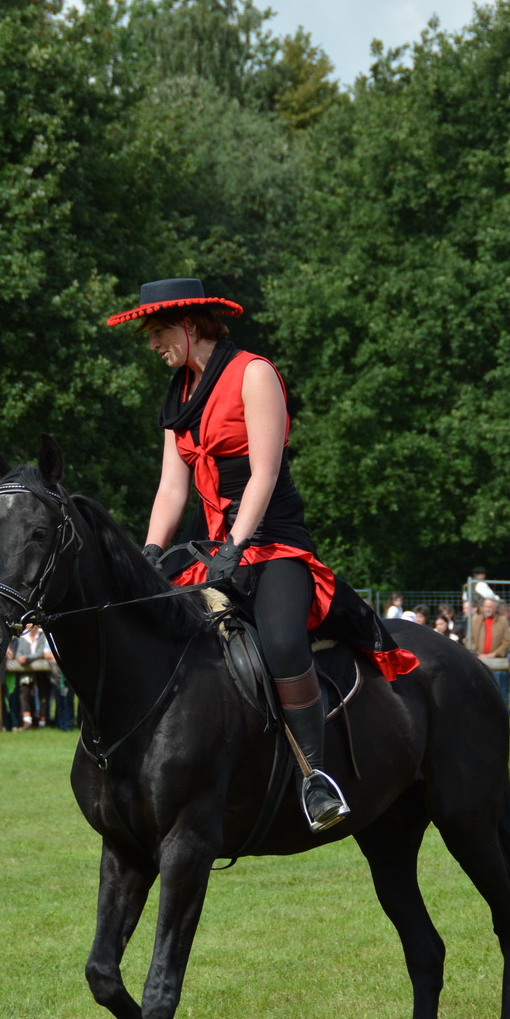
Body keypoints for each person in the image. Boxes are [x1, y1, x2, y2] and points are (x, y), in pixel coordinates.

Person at [107, 276, 415, 832]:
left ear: (191, 324)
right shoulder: (178, 392)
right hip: (216, 551)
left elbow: (265, 472)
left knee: (279, 640)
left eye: (157, 332)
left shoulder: (253, 372)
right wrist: (151, 550)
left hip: (274, 545)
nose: (152, 344)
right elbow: (172, 487)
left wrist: (238, 543)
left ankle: (316, 778)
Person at [469, 596, 510, 705]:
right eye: (486, 606)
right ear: (483, 607)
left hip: (497, 661)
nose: (488, 609)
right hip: (478, 660)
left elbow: (506, 641)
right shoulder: (475, 620)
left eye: (491, 607)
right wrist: (478, 653)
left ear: (495, 608)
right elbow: (470, 639)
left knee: (500, 691)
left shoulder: (502, 621)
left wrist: (494, 654)